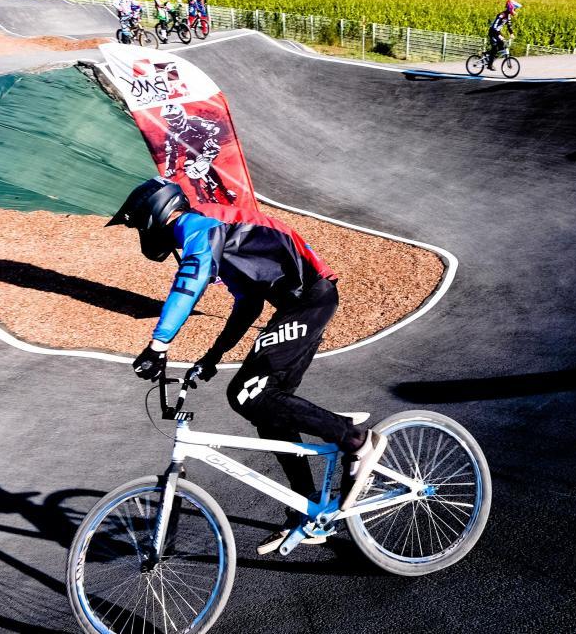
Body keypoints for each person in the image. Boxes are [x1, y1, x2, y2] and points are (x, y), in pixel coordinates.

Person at [109, 178, 387, 555]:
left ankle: (356, 440)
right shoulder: (219, 233)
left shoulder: (197, 226)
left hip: (310, 299)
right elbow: (248, 304)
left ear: (154, 215)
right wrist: (213, 355)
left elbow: (188, 284)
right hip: (299, 304)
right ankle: (307, 510)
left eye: (140, 224)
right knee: (268, 408)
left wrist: (158, 345)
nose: (142, 233)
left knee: (246, 393)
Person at [486, 0, 521, 66]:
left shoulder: (508, 16)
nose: (515, 11)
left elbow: (509, 26)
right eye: (514, 9)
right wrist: (499, 35)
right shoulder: (502, 15)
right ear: (511, 8)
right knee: (495, 48)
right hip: (493, 32)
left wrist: (512, 33)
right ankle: (489, 65)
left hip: (497, 32)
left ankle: (488, 54)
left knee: (502, 47)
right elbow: (494, 26)